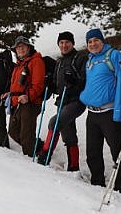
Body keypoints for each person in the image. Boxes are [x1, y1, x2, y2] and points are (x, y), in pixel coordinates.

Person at [79, 28, 121, 194]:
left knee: (118, 152)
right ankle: (97, 184)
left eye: (96, 40)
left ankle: (120, 188)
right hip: (92, 114)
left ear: (102, 40)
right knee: (92, 152)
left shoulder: (114, 56)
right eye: (89, 42)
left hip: (110, 113)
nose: (93, 44)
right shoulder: (90, 60)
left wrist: (118, 111)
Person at [36, 32, 87, 170]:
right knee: (68, 134)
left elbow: (85, 80)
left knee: (54, 123)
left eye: (67, 42)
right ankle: (74, 167)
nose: (64, 45)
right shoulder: (59, 61)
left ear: (73, 43)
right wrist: (49, 84)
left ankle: (43, 158)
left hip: (76, 101)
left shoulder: (80, 58)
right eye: (61, 43)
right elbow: (56, 84)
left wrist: (74, 81)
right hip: (62, 101)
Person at [4, 36, 46, 156]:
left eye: (23, 46)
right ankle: (39, 147)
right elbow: (16, 85)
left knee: (26, 135)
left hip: (30, 103)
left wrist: (28, 96)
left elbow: (38, 85)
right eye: (18, 47)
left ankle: (31, 161)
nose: (20, 49)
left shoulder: (36, 61)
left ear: (29, 47)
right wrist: (10, 94)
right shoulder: (19, 64)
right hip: (17, 102)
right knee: (12, 131)